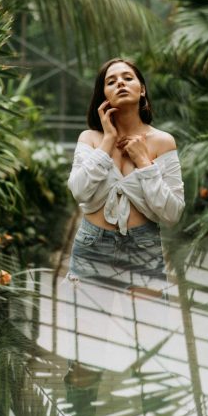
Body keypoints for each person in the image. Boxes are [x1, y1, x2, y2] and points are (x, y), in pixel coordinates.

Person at [67, 58, 185, 295]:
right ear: (104, 95)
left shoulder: (163, 142)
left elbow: (173, 213)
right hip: (92, 244)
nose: (120, 83)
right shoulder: (89, 138)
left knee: (147, 329)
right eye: (111, 81)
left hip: (144, 246)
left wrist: (143, 162)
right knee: (87, 329)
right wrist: (108, 141)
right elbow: (78, 191)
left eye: (127, 78)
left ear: (142, 90)